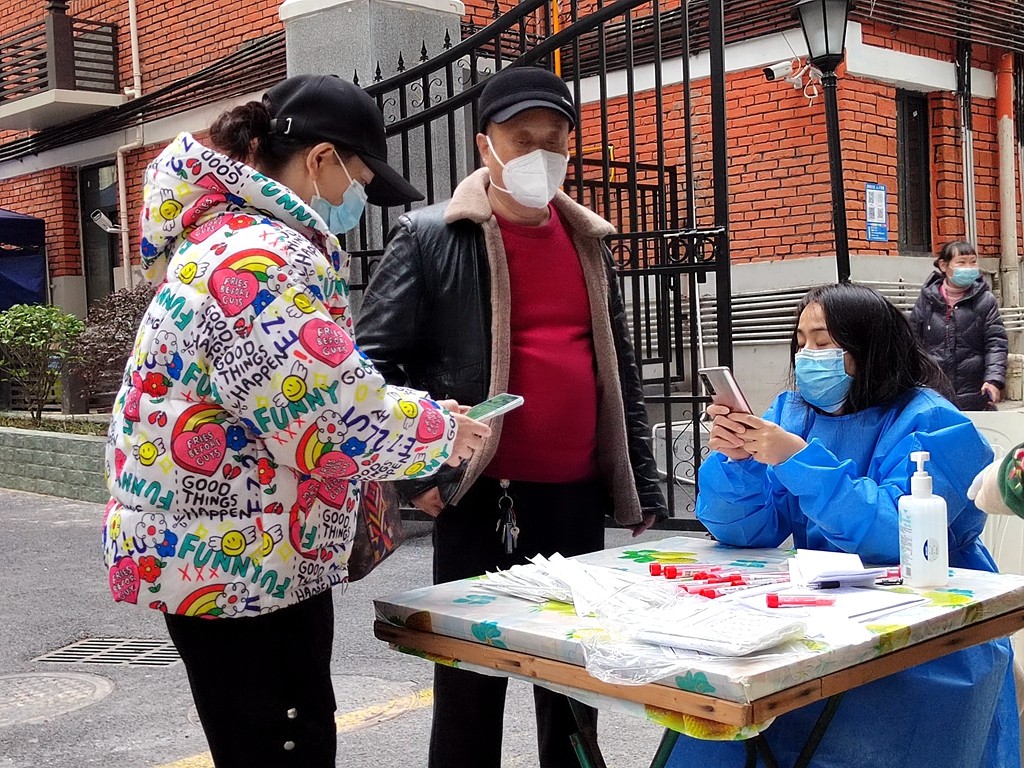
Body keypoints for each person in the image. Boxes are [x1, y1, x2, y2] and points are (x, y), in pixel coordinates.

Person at [100, 74, 491, 768]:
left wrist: (422, 414)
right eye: (358, 179)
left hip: (231, 549)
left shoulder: (225, 239)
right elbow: (323, 416)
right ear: (320, 159)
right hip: (244, 563)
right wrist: (438, 433)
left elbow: (306, 382)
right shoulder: (257, 259)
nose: (355, 198)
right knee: (285, 745)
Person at [355, 65, 669, 768]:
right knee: (470, 687)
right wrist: (417, 471)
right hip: (478, 498)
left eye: (555, 140)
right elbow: (370, 367)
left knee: (574, 686)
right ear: (484, 145)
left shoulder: (588, 240)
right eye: (522, 139)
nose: (540, 154)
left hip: (574, 498)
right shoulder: (430, 236)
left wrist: (640, 480)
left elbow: (617, 368)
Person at [665, 282, 1019, 768]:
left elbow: (893, 537)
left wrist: (798, 460)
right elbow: (745, 532)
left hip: (928, 628)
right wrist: (737, 460)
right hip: (820, 609)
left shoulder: (935, 421)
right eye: (801, 342)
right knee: (726, 703)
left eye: (825, 342)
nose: (809, 356)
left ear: (871, 346)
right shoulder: (792, 413)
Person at [910, 239, 1008, 411]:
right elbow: (912, 342)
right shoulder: (927, 300)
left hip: (975, 394)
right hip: (934, 394)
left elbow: (996, 343)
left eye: (973, 262)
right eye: (961, 263)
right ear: (943, 265)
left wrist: (993, 380)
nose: (968, 268)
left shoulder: (985, 301)